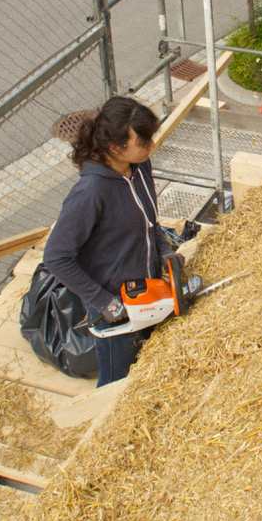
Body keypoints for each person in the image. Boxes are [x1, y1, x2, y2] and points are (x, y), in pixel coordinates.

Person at [42, 96, 168, 387]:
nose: (150, 145)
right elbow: (56, 257)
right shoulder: (90, 193)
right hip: (117, 308)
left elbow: (150, 221)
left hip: (149, 294)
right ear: (116, 148)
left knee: (147, 373)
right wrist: (105, 303)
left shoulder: (140, 169)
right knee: (117, 382)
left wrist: (164, 250)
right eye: (143, 140)